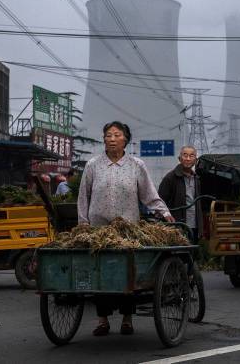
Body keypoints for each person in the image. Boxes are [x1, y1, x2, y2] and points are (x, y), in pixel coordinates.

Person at [78, 121, 173, 337]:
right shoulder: (93, 165)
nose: (111, 139)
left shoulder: (136, 165)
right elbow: (83, 196)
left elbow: (149, 194)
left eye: (116, 135)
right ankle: (102, 320)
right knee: (99, 274)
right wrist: (83, 223)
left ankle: (127, 319)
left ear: (125, 140)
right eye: (108, 135)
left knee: (127, 274)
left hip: (127, 230)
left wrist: (163, 211)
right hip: (98, 230)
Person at [159, 145, 201, 244]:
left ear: (196, 160)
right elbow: (160, 201)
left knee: (193, 253)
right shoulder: (170, 178)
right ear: (179, 158)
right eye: (185, 155)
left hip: (195, 225)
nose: (188, 158)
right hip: (177, 225)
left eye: (191, 156)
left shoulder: (197, 178)